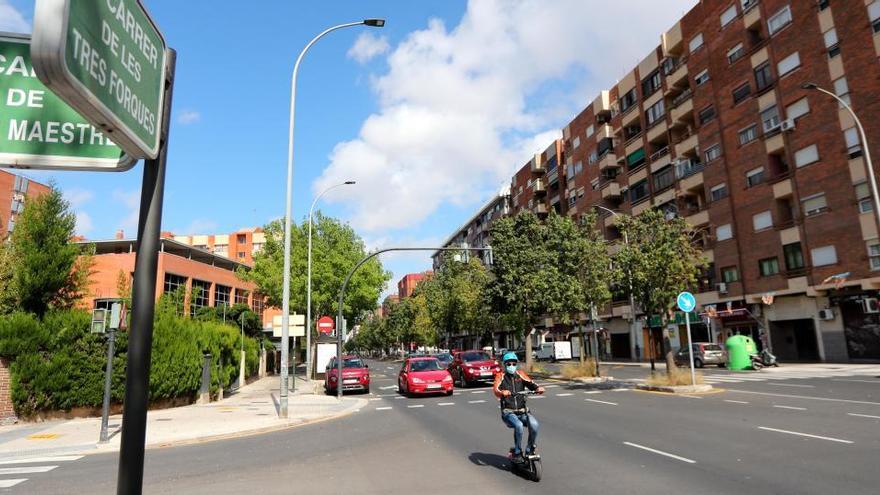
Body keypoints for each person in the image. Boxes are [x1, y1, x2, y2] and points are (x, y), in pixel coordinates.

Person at [493, 352, 544, 462]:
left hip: (522, 412)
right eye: (509, 364)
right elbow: (496, 390)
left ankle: (529, 449)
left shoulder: (520, 374)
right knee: (519, 426)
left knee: (534, 425)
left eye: (513, 363)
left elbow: (531, 384)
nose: (511, 366)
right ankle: (517, 452)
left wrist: (538, 388)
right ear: (505, 365)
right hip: (508, 412)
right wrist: (502, 392)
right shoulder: (500, 376)